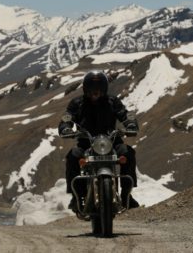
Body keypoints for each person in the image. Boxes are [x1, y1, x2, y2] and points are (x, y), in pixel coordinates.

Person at [58, 70, 140, 213]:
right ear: (85, 89)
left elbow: (124, 114)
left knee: (128, 153)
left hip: (112, 141)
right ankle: (76, 197)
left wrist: (130, 124)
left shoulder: (112, 101)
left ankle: (127, 194)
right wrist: (65, 128)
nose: (95, 92)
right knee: (73, 156)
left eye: (99, 88)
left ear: (104, 88)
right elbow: (67, 117)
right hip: (86, 143)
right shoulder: (77, 103)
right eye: (91, 88)